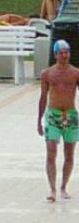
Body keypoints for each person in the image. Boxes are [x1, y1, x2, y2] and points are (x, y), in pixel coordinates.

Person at [38, 39, 79, 202]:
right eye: (61, 52)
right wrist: (39, 120)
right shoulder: (47, 73)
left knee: (69, 154)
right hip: (53, 116)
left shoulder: (75, 73)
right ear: (55, 54)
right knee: (51, 152)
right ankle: (52, 189)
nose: (64, 55)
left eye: (66, 52)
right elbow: (43, 97)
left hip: (70, 115)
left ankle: (63, 187)